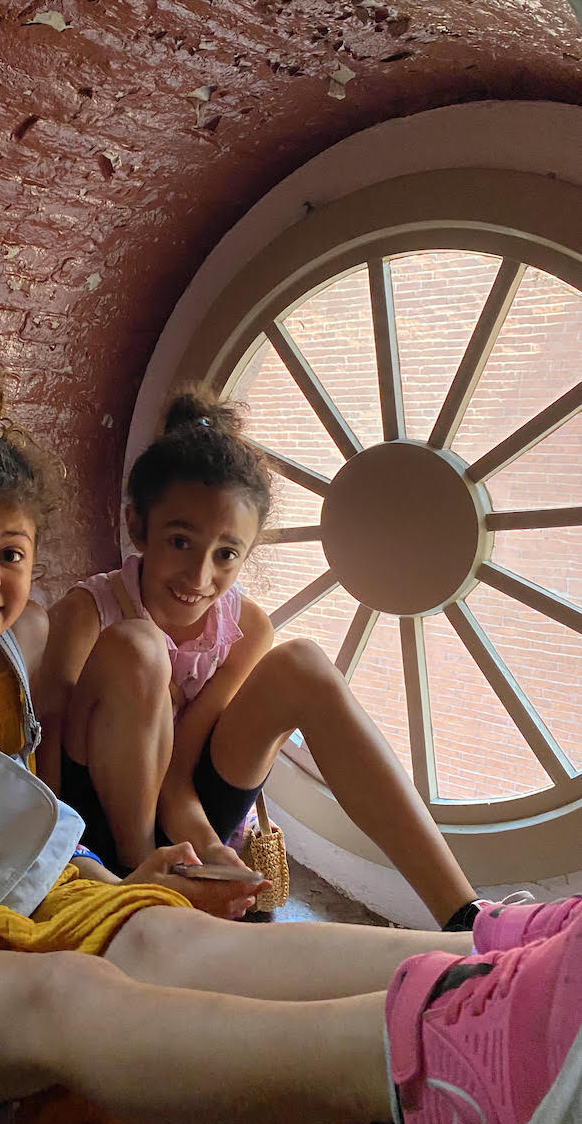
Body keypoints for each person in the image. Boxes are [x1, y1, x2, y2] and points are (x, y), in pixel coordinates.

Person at [0, 356, 578, 1124]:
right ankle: (442, 1060)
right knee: (63, 998)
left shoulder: (15, 652)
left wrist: (126, 885)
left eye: (10, 552)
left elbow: (28, 817)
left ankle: (502, 958)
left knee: (173, 941)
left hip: (16, 902)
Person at [40, 389, 489, 929]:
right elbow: (44, 768)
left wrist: (207, 845)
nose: (199, 577)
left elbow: (180, 774)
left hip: (186, 813)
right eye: (180, 541)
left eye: (226, 554)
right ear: (139, 527)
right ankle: (145, 892)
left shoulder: (246, 627)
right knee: (139, 648)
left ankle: (465, 913)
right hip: (100, 832)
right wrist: (82, 872)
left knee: (302, 662)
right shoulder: (87, 612)